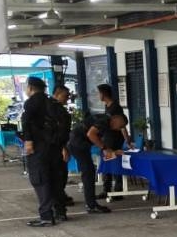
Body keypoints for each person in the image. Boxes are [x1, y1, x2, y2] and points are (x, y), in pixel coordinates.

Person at [19, 76, 57, 227]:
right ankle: (57, 211)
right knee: (50, 178)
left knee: (39, 179)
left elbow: (26, 122)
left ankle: (46, 215)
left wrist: (28, 141)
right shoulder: (50, 101)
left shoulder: (32, 102)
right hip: (52, 146)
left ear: (31, 87)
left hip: (38, 146)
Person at [66, 106, 112, 215]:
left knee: (89, 173)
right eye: (121, 126)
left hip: (77, 143)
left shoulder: (101, 118)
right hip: (78, 144)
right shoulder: (104, 121)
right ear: (117, 120)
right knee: (88, 173)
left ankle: (91, 203)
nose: (120, 129)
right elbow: (91, 134)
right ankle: (91, 205)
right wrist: (104, 148)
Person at [95, 84, 131, 200]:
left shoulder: (115, 107)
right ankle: (107, 189)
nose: (98, 95)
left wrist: (127, 139)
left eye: (99, 93)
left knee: (114, 163)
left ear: (103, 94)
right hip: (107, 138)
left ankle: (118, 190)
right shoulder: (107, 106)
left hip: (114, 140)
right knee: (107, 163)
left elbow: (122, 125)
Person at [48, 85, 75, 220]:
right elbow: (58, 133)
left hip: (55, 147)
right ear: (57, 94)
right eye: (65, 96)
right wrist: (63, 147)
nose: (68, 98)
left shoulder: (54, 109)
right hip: (55, 149)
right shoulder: (54, 110)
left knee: (59, 179)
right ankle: (59, 210)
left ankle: (58, 206)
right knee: (58, 179)